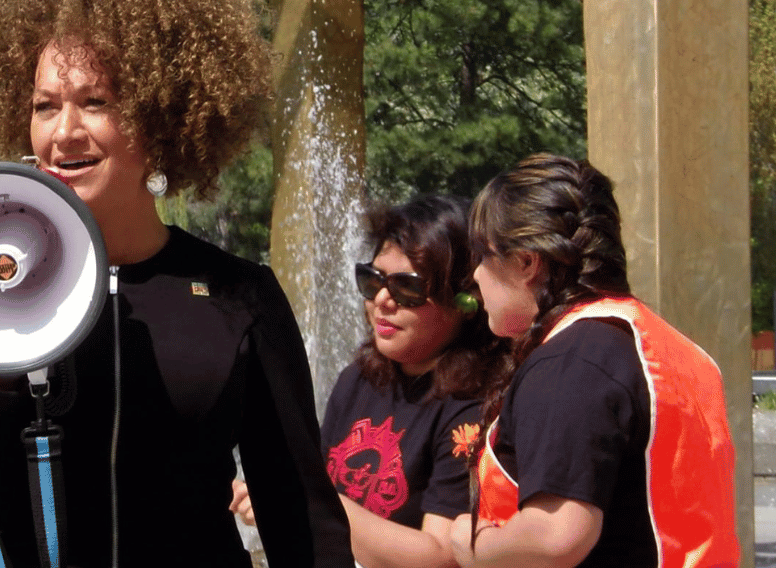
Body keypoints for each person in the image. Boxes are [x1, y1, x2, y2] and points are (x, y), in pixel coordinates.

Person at [0, 0, 355, 568]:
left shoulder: (238, 296)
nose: (63, 132)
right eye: (44, 106)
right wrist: (3, 370)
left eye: (96, 101)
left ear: (161, 115)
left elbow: (303, 522)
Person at [448, 153, 740, 567]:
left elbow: (557, 536)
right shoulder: (672, 348)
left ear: (527, 261)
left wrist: (470, 544)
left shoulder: (570, 362)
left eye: (481, 254)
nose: (474, 274)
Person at [230, 194, 511, 568]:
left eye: (406, 288)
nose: (382, 299)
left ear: (464, 301)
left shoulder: (474, 403)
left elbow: (442, 557)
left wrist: (306, 495)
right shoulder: (359, 379)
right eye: (372, 280)